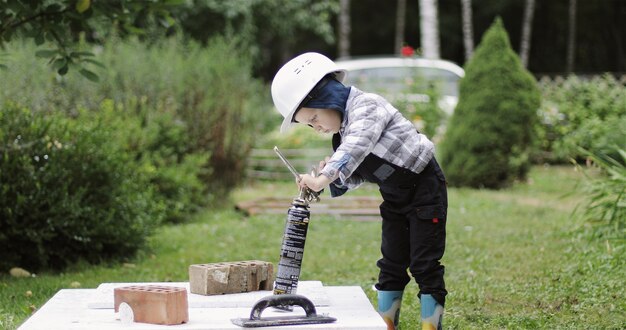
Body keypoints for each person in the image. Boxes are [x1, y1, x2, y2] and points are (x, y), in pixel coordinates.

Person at [271, 52, 448, 330]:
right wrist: (326, 176)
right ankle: (386, 325)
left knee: (424, 263)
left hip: (425, 191)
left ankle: (431, 327)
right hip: (395, 198)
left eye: (315, 117)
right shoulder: (340, 136)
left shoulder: (367, 106)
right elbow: (357, 173)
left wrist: (327, 176)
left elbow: (358, 143)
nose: (316, 127)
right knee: (391, 263)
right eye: (310, 124)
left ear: (327, 97)